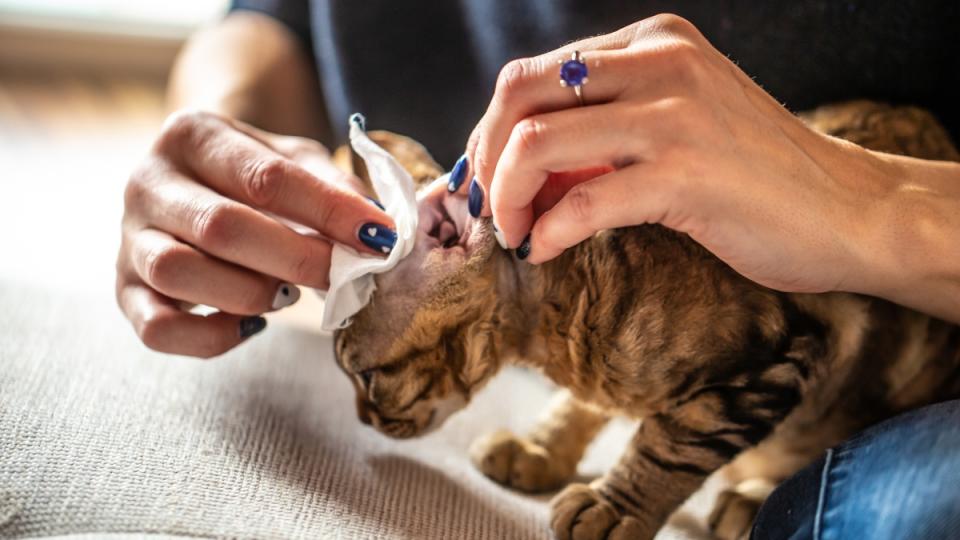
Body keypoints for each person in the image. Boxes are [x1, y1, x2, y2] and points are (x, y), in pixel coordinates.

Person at [115, 2, 960, 538]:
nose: (374, 418)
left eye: (373, 379)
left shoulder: (641, 312)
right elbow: (278, 20)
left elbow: (767, 349)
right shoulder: (567, 305)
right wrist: (218, 134)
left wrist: (866, 200)